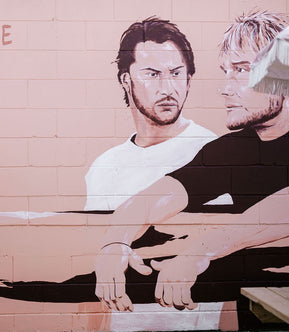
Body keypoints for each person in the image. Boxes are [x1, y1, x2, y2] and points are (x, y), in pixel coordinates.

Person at [94, 10, 289, 313]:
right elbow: (158, 196)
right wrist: (114, 243)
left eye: (242, 69)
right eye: (226, 70)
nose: (225, 87)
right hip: (268, 311)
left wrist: (199, 252)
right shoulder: (232, 150)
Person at [85, 17, 216, 211]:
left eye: (176, 73)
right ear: (126, 80)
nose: (167, 89)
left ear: (188, 79)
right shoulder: (103, 168)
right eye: (152, 74)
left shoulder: (213, 155)